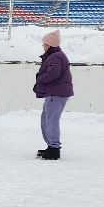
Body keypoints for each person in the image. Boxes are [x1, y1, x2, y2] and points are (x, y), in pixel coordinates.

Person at [33, 28, 74, 160]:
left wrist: (40, 79)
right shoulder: (56, 55)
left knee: (51, 121)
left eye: (44, 44)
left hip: (56, 93)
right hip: (55, 92)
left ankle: (54, 149)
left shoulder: (55, 56)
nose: (43, 46)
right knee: (46, 119)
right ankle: (51, 146)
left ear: (49, 44)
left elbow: (53, 73)